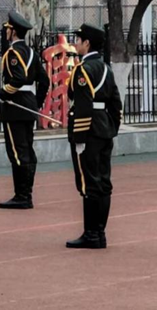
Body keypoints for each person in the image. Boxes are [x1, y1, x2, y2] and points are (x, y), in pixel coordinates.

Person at [66, 24, 122, 249]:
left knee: (89, 183)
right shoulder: (106, 68)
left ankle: (91, 234)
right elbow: (116, 103)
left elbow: (83, 105)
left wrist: (79, 137)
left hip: (88, 131)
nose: (76, 43)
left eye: (78, 40)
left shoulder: (83, 70)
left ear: (87, 43)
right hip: (104, 129)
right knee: (103, 182)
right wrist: (112, 127)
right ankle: (100, 233)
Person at [0, 11, 49, 209]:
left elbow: (18, 79)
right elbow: (44, 81)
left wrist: (3, 93)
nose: (6, 32)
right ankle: (26, 193)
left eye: (8, 29)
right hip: (28, 106)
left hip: (15, 107)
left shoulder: (13, 53)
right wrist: (36, 103)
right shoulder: (32, 53)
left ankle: (22, 196)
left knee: (18, 152)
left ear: (14, 31)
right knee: (27, 150)